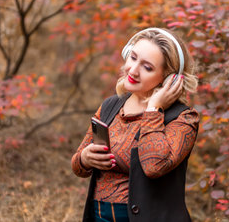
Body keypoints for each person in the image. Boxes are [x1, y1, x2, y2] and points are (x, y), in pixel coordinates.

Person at [71, 28, 199, 222]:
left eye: (147, 67)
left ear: (169, 79)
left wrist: (154, 109)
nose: (133, 70)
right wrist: (85, 159)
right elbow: (78, 167)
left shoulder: (183, 118)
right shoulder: (110, 106)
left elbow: (154, 166)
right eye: (133, 58)